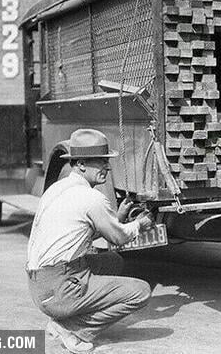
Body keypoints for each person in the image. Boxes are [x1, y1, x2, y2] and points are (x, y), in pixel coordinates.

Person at [26, 129, 155, 353]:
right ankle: (74, 329)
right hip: (59, 288)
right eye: (101, 162)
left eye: (107, 161)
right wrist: (139, 225)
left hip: (39, 284)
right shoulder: (91, 198)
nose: (107, 167)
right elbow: (118, 238)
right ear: (82, 164)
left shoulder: (58, 188)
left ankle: (68, 314)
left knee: (112, 261)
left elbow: (83, 230)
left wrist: (119, 217)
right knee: (141, 292)